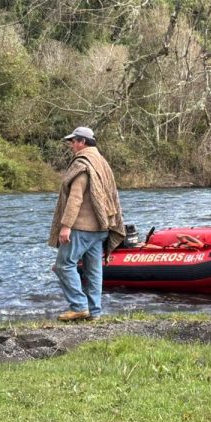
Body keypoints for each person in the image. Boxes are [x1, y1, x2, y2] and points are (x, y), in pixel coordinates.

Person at [48, 126, 124, 322]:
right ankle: (95, 311)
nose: (71, 145)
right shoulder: (102, 163)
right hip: (102, 226)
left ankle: (79, 306)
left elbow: (75, 198)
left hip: (82, 227)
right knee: (94, 271)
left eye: (73, 141)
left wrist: (66, 226)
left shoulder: (83, 164)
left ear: (82, 142)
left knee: (63, 265)